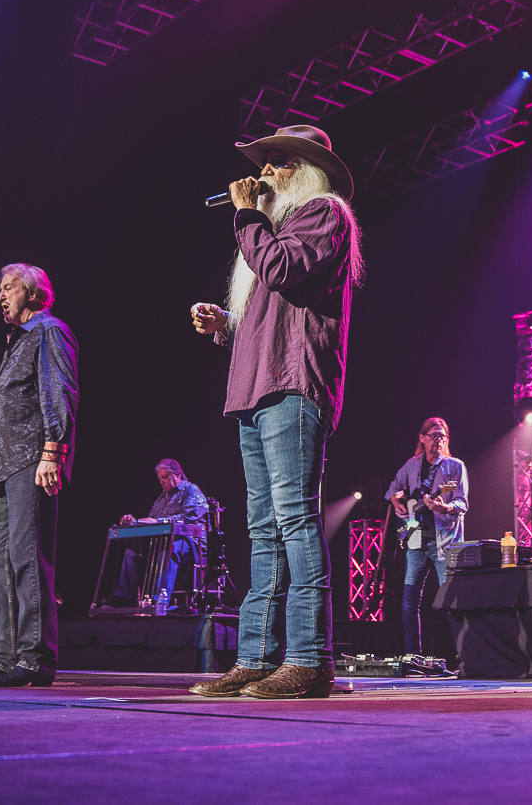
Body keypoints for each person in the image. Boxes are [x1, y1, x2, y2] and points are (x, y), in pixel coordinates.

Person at [188, 124, 363, 700]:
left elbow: (283, 271)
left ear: (307, 170)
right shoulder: (273, 230)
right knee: (263, 531)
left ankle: (311, 658)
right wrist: (227, 325)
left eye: (278, 163)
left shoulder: (324, 214)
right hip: (256, 389)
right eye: (266, 163)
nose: (265, 174)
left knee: (293, 521)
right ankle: (257, 658)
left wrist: (245, 216)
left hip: (293, 386)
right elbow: (271, 307)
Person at [0, 263, 79, 688]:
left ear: (32, 293)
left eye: (9, 288)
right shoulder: (19, 341)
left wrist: (54, 450)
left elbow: (58, 389)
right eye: (1, 289)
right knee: (1, 561)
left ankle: (36, 658)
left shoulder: (49, 331)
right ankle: (7, 657)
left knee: (28, 557)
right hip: (6, 462)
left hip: (32, 457)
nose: (1, 296)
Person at [386, 417, 468, 658]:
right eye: (434, 435)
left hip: (444, 541)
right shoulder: (412, 465)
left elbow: (462, 502)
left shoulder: (455, 466)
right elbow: (392, 488)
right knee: (409, 600)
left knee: (452, 600)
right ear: (422, 438)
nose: (438, 440)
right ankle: (414, 656)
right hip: (415, 538)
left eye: (442, 436)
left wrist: (445, 507)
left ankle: (462, 657)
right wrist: (396, 501)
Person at [109, 459, 210, 611]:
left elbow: (190, 516)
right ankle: (123, 597)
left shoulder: (190, 490)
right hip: (164, 541)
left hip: (190, 542)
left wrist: (158, 521)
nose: (162, 482)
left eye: (165, 477)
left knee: (168, 551)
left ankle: (159, 601)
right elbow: (152, 522)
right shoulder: (162, 499)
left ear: (178, 475)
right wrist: (134, 522)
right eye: (160, 479)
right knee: (131, 552)